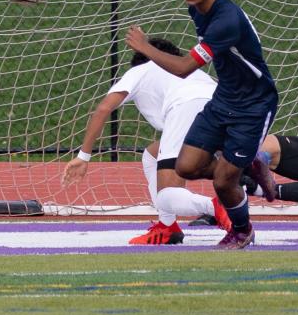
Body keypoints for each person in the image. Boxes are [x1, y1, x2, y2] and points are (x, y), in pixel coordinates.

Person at [126, 0, 279, 250]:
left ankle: (242, 230)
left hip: (253, 104)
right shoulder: (196, 10)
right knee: (185, 166)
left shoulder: (227, 21)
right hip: (223, 98)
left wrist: (145, 48)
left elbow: (183, 68)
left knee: (223, 182)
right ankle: (250, 166)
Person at [61, 37, 231, 245]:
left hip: (187, 108)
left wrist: (83, 157)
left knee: (167, 195)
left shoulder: (140, 70)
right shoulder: (195, 73)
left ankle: (216, 207)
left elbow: (104, 108)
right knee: (151, 155)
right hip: (225, 109)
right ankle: (167, 227)